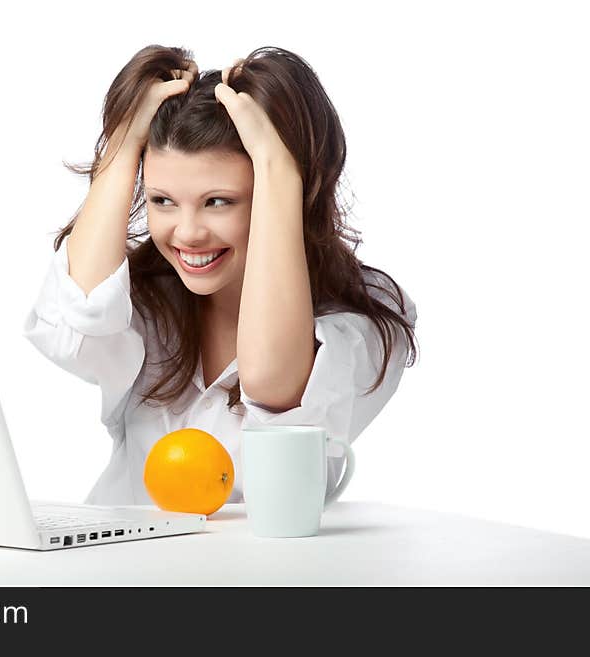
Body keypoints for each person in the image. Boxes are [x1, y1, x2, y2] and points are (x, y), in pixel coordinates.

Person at [23, 45, 419, 507]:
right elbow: (77, 321)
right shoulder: (146, 299)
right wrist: (123, 144)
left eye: (218, 201)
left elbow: (273, 387)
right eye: (162, 201)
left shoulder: (366, 316)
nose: (187, 234)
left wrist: (278, 167)